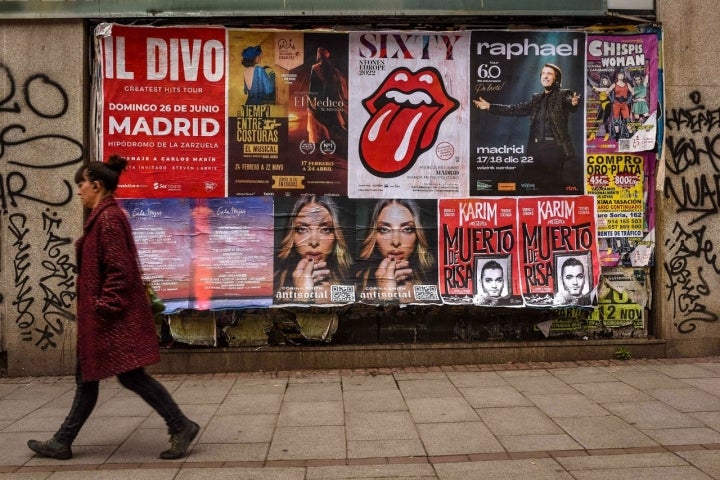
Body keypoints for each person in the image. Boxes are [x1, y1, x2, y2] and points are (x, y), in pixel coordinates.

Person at [27, 155, 199, 461]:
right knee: (94, 377)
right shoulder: (104, 216)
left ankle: (180, 425)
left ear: (97, 185)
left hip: (112, 318)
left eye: (81, 183)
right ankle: (63, 440)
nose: (78, 190)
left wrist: (102, 307)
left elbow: (120, 270)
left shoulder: (108, 219)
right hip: (107, 317)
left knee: (122, 377)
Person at [473, 63, 581, 192]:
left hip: (554, 148)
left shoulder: (563, 94)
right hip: (535, 148)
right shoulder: (536, 99)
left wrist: (573, 102)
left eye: (549, 74)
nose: (545, 76)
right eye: (543, 73)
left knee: (551, 186)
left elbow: (570, 102)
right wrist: (490, 106)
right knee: (531, 184)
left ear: (556, 79)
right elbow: (515, 109)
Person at [275, 195, 352, 304]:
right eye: (302, 229)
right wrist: (302, 296)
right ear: (291, 234)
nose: (314, 242)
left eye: (325, 229)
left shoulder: (352, 279)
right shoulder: (272, 282)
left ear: (337, 234)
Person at [357, 199, 435, 304]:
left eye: (407, 229)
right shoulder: (355, 281)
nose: (396, 242)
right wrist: (386, 295)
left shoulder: (437, 280)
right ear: (373, 235)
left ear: (418, 233)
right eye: (384, 229)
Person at [307, 47, 348, 144]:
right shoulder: (333, 70)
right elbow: (338, 86)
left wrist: (311, 98)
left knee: (312, 111)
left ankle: (324, 137)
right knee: (334, 120)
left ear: (319, 56)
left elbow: (313, 85)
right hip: (332, 100)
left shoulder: (315, 68)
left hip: (322, 99)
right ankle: (335, 134)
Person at [592, 69, 634, 140]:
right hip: (616, 104)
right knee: (616, 120)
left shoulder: (627, 84)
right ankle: (617, 135)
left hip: (624, 104)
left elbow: (632, 92)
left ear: (624, 76)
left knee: (627, 120)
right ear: (617, 76)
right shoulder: (614, 84)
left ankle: (631, 135)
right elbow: (607, 91)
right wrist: (612, 99)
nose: (621, 76)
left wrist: (629, 100)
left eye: (622, 74)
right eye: (619, 74)